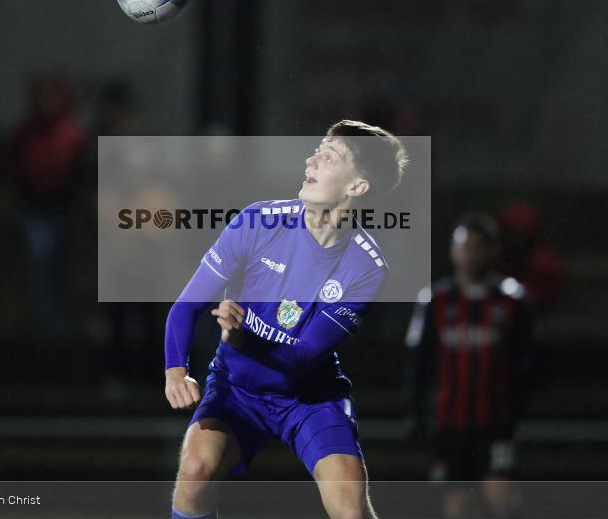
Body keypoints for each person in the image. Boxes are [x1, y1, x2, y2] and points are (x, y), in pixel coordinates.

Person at [163, 120, 408, 519]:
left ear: (357, 187)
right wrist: (176, 371)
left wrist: (243, 340)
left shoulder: (366, 266)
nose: (311, 159)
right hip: (236, 387)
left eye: (330, 157)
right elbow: (186, 305)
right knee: (194, 474)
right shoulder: (259, 222)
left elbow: (302, 357)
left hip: (309, 398)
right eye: (318, 149)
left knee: (350, 509)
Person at [404, 212, 533, 519]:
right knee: (459, 507)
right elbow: (417, 362)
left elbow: (526, 361)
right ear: (452, 251)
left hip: (495, 422)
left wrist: (517, 407)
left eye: (477, 247)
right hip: (450, 425)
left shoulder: (512, 300)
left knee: (502, 500)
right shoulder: (435, 300)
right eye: (463, 247)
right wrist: (414, 411)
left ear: (492, 251)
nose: (469, 255)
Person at [6, 77, 85, 335]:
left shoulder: (71, 133)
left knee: (65, 268)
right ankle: (45, 325)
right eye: (42, 98)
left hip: (65, 209)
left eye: (52, 98)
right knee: (39, 266)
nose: (46, 104)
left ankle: (64, 324)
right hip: (34, 209)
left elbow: (80, 172)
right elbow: (14, 169)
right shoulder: (26, 133)